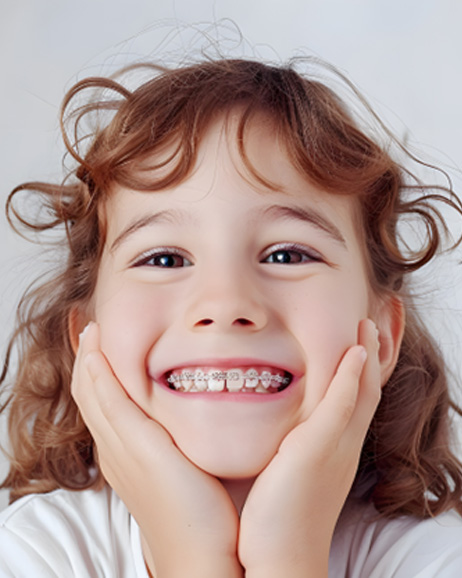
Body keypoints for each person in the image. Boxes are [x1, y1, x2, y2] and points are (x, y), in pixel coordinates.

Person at [1, 56, 462, 578]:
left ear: (380, 339)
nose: (226, 304)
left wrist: (285, 560)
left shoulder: (435, 560)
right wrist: (194, 560)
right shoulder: (32, 556)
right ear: (87, 337)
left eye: (287, 255)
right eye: (164, 259)